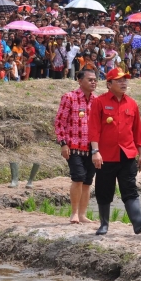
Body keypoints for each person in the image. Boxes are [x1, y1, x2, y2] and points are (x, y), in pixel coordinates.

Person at [89, 68, 141, 235]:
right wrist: (95, 152)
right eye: (119, 80)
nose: (123, 83)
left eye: (125, 80)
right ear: (109, 83)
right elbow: (94, 129)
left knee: (130, 188)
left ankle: (138, 221)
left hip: (127, 154)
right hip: (105, 155)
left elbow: (138, 131)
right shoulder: (99, 102)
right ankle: (104, 224)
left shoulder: (132, 103)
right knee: (104, 189)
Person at [54, 70, 98, 224]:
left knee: (87, 181)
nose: (93, 82)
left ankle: (82, 214)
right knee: (78, 177)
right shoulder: (69, 97)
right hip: (73, 147)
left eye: (95, 80)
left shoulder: (96, 100)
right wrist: (63, 143)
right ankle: (73, 213)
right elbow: (60, 122)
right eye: (90, 79)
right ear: (79, 81)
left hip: (92, 148)